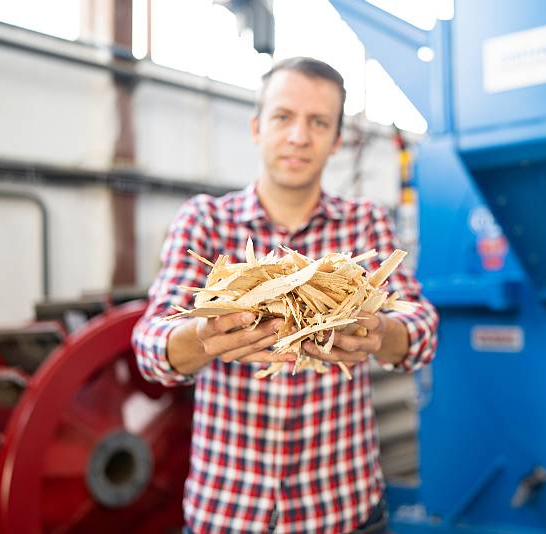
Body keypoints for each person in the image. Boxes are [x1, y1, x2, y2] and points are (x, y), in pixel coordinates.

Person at [132, 56, 439, 534]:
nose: (299, 136)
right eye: (283, 117)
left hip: (342, 506)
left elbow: (422, 331)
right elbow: (150, 347)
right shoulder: (207, 222)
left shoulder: (365, 224)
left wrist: (379, 332)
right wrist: (202, 337)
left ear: (337, 139)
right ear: (257, 127)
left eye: (318, 122)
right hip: (228, 507)